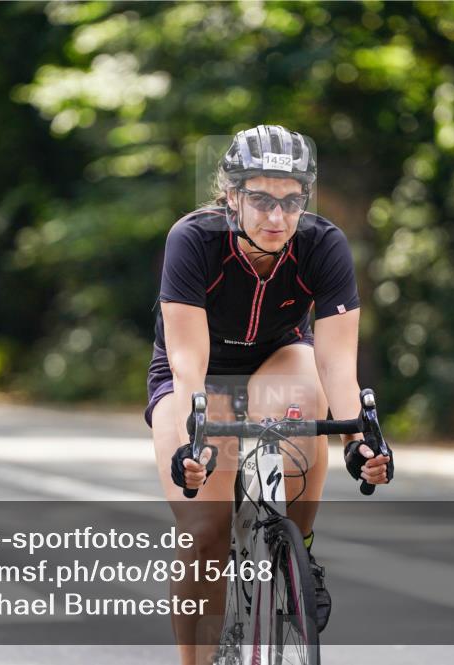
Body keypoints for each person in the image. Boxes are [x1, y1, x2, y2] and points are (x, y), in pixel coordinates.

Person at [146, 124, 391, 664]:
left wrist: (359, 441)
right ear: (232, 195)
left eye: (291, 200)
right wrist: (197, 440)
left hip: (280, 359)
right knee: (205, 535)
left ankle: (297, 553)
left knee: (305, 405)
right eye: (260, 199)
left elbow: (337, 368)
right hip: (198, 376)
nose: (276, 217)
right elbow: (188, 363)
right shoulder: (193, 239)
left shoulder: (322, 244)